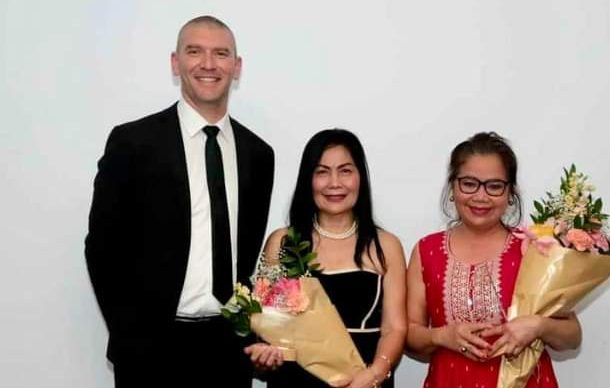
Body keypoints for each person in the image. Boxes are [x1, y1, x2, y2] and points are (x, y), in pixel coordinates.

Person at [85, 16, 274, 388]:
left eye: (221, 54)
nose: (208, 64)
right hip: (150, 353)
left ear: (236, 67)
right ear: (175, 62)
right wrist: (129, 336)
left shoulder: (258, 154)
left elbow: (246, 257)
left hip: (227, 351)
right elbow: (102, 249)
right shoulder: (133, 143)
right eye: (195, 52)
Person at [405, 132, 581, 387]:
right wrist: (442, 336)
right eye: (469, 183)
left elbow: (573, 336)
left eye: (494, 186)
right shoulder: (426, 250)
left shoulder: (534, 247)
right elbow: (410, 336)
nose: (481, 196)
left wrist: (538, 326)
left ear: (510, 193)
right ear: (453, 187)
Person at [246, 129, 406, 388]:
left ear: (360, 177)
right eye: (322, 172)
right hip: (295, 380)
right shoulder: (282, 242)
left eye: (345, 171)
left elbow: (395, 328)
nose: (334, 183)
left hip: (363, 379)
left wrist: (376, 372)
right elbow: (266, 323)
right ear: (307, 180)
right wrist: (265, 354)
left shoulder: (386, 246)